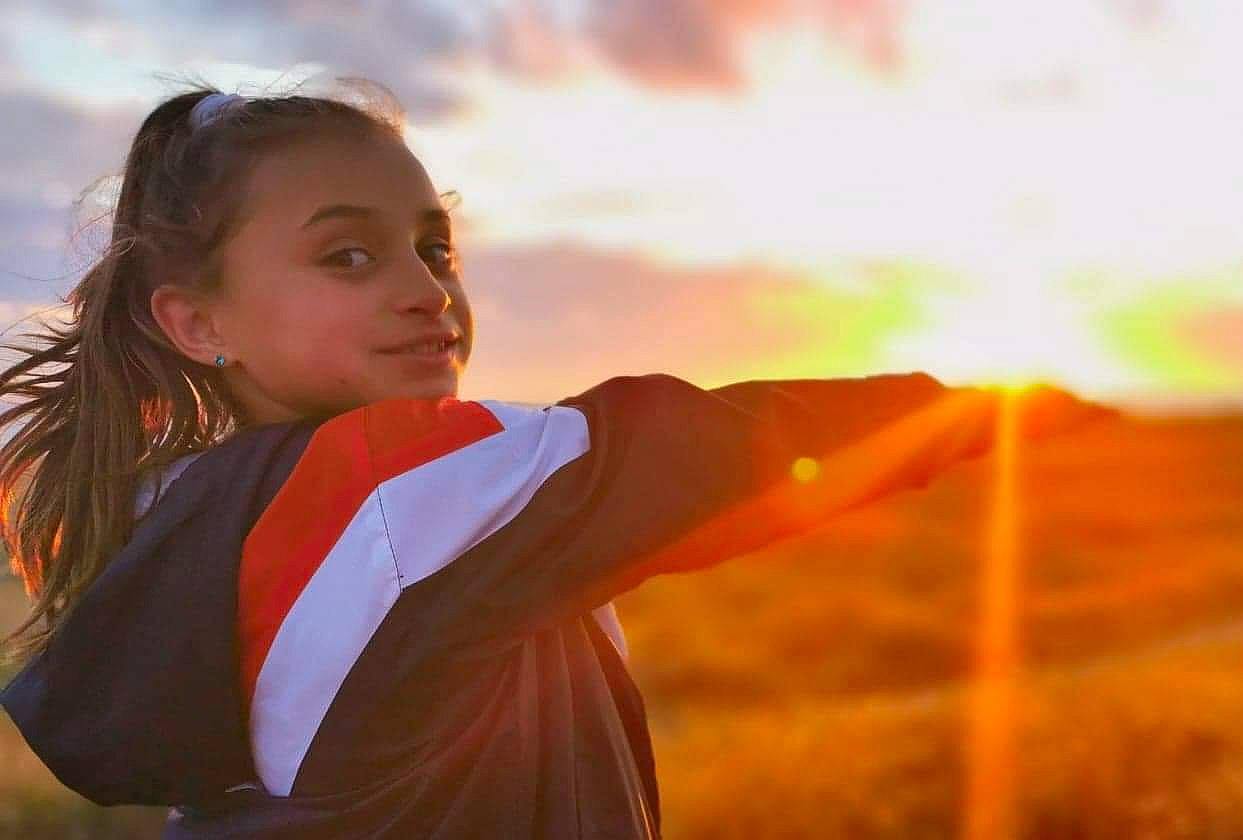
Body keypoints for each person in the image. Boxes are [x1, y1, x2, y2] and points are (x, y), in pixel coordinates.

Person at [0, 82, 1117, 838]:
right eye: (348, 255)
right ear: (198, 324)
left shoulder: (198, 511)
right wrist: (979, 413)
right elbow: (703, 454)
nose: (428, 291)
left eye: (436, 248)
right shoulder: (397, 489)